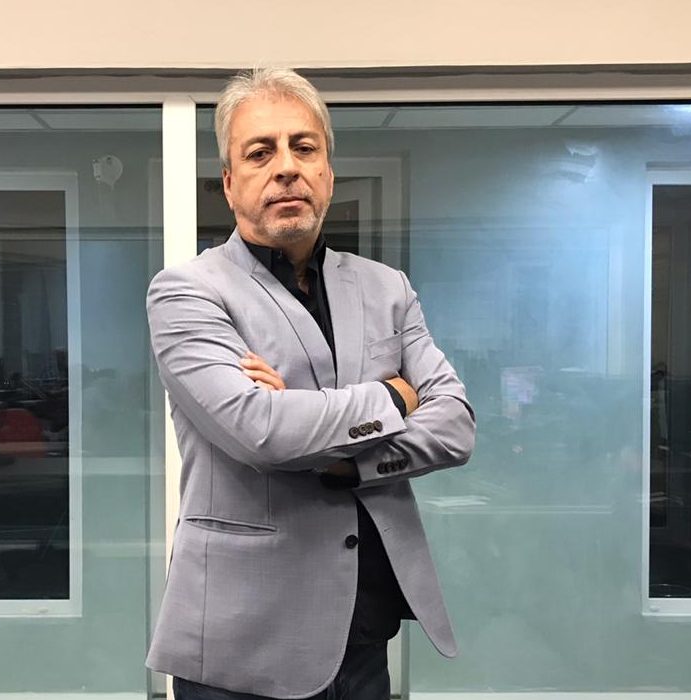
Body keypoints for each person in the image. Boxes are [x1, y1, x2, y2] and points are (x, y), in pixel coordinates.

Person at [145, 67, 475, 700]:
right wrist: (397, 396)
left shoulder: (386, 288)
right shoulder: (188, 292)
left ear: (327, 172)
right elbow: (260, 432)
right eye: (260, 152)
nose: (286, 168)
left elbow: (456, 425)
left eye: (304, 147)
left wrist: (344, 461)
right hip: (241, 643)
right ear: (229, 182)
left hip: (364, 631)